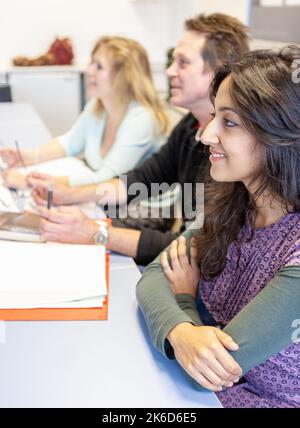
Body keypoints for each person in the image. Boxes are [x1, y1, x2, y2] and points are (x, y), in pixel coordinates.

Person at [136, 47, 300, 408]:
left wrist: (182, 300)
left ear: (281, 133)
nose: (207, 135)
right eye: (214, 117)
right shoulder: (235, 203)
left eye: (228, 122)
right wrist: (181, 332)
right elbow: (153, 277)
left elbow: (210, 371)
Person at [27, 13, 250, 265]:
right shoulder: (190, 126)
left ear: (219, 72)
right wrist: (68, 194)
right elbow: (140, 180)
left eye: (183, 62)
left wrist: (97, 233)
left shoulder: (231, 152)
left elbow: (195, 249)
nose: (169, 70)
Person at [0, 36, 169, 188]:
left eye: (99, 66)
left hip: (141, 209)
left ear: (125, 77)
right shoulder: (98, 105)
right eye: (91, 63)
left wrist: (31, 182)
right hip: (103, 195)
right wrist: (29, 157)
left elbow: (107, 179)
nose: (89, 71)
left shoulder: (142, 119)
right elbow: (70, 143)